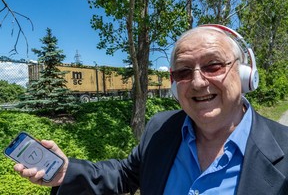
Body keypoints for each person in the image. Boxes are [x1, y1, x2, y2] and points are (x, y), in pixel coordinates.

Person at [14, 24, 288, 194]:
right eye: (183, 71)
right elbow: (125, 174)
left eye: (213, 65)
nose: (197, 81)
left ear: (244, 74)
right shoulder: (161, 127)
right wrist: (65, 172)